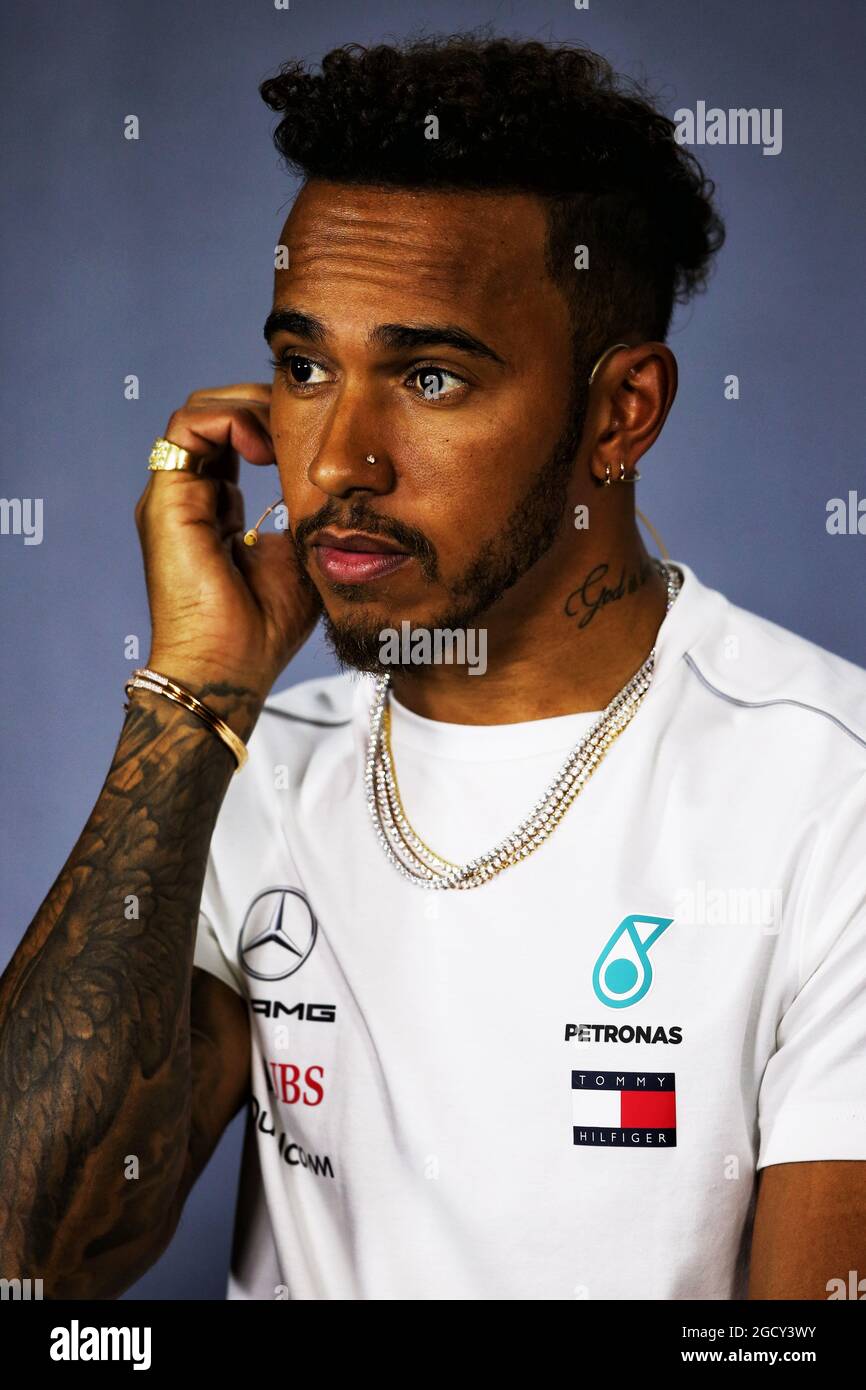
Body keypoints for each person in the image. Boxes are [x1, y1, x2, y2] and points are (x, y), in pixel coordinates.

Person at [1, 34, 864, 1302]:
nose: (339, 458)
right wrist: (193, 700)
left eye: (428, 375)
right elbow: (30, 1259)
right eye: (303, 368)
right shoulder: (251, 769)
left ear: (619, 412)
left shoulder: (824, 794)